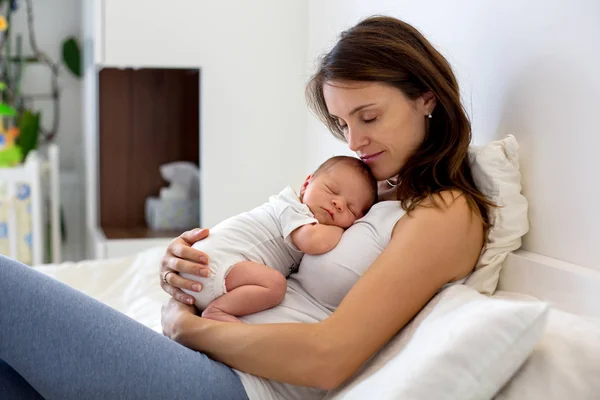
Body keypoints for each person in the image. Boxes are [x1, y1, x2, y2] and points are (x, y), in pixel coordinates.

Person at [0, 16, 492, 400]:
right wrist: (189, 267)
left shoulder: (447, 213)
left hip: (241, 388)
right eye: (342, 125)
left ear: (426, 97)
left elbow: (330, 356)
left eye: (368, 116)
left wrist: (190, 328)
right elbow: (274, 245)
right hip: (218, 364)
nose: (356, 141)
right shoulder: (373, 194)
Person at [182, 155, 377, 323]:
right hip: (213, 263)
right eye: (332, 190)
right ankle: (218, 311)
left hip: (213, 273)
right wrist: (340, 230)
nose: (338, 203)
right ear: (306, 184)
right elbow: (311, 241)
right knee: (275, 286)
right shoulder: (292, 206)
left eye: (351, 208)